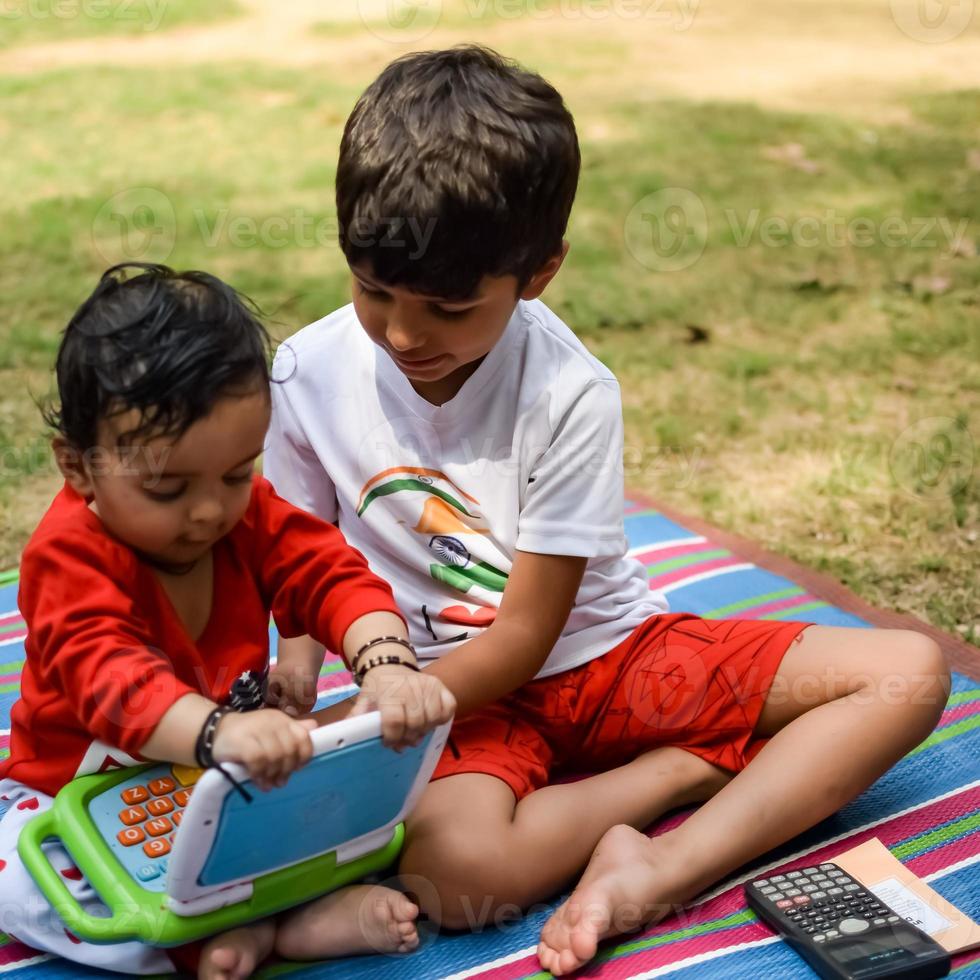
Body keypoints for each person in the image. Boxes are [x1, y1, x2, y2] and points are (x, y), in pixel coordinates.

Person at [265, 44, 951, 976]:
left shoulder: (571, 393)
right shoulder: (306, 374)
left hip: (604, 662)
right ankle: (692, 769)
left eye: (447, 306)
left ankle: (664, 863)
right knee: (451, 876)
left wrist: (404, 700)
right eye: (373, 290)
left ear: (539, 272)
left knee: (907, 672)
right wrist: (300, 661)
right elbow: (294, 560)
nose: (401, 332)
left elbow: (530, 633)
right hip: (455, 703)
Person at [0, 264, 455, 980]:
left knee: (340, 807)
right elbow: (107, 679)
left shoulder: (246, 517)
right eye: (167, 487)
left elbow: (329, 572)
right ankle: (265, 925)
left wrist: (389, 664)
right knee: (21, 882)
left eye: (238, 474)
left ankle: (261, 924)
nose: (211, 510)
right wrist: (219, 731)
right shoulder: (66, 557)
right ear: (78, 468)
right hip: (78, 793)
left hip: (224, 775)